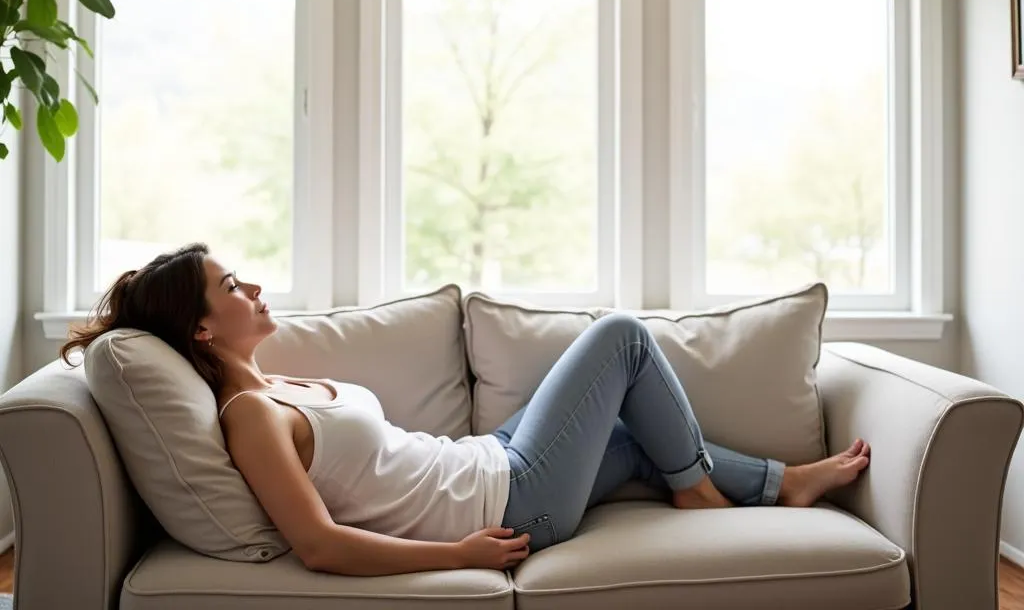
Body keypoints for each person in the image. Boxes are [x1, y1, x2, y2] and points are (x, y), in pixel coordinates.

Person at [62, 242, 870, 577]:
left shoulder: (278, 386)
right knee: (622, 336)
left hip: (492, 461)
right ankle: (701, 491)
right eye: (232, 287)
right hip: (511, 498)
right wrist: (463, 557)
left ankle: (777, 482)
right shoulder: (246, 415)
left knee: (629, 435)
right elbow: (316, 545)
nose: (256, 288)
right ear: (202, 326)